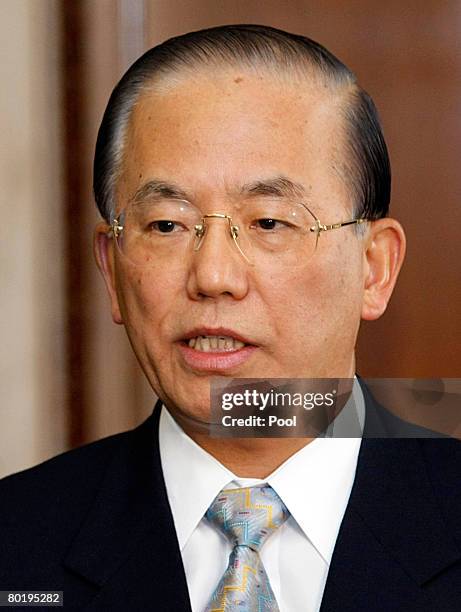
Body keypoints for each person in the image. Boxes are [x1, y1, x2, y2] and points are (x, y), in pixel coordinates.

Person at [1, 25, 460, 612]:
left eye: (270, 223)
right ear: (112, 270)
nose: (213, 275)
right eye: (166, 225)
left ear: (375, 268)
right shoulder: (16, 547)